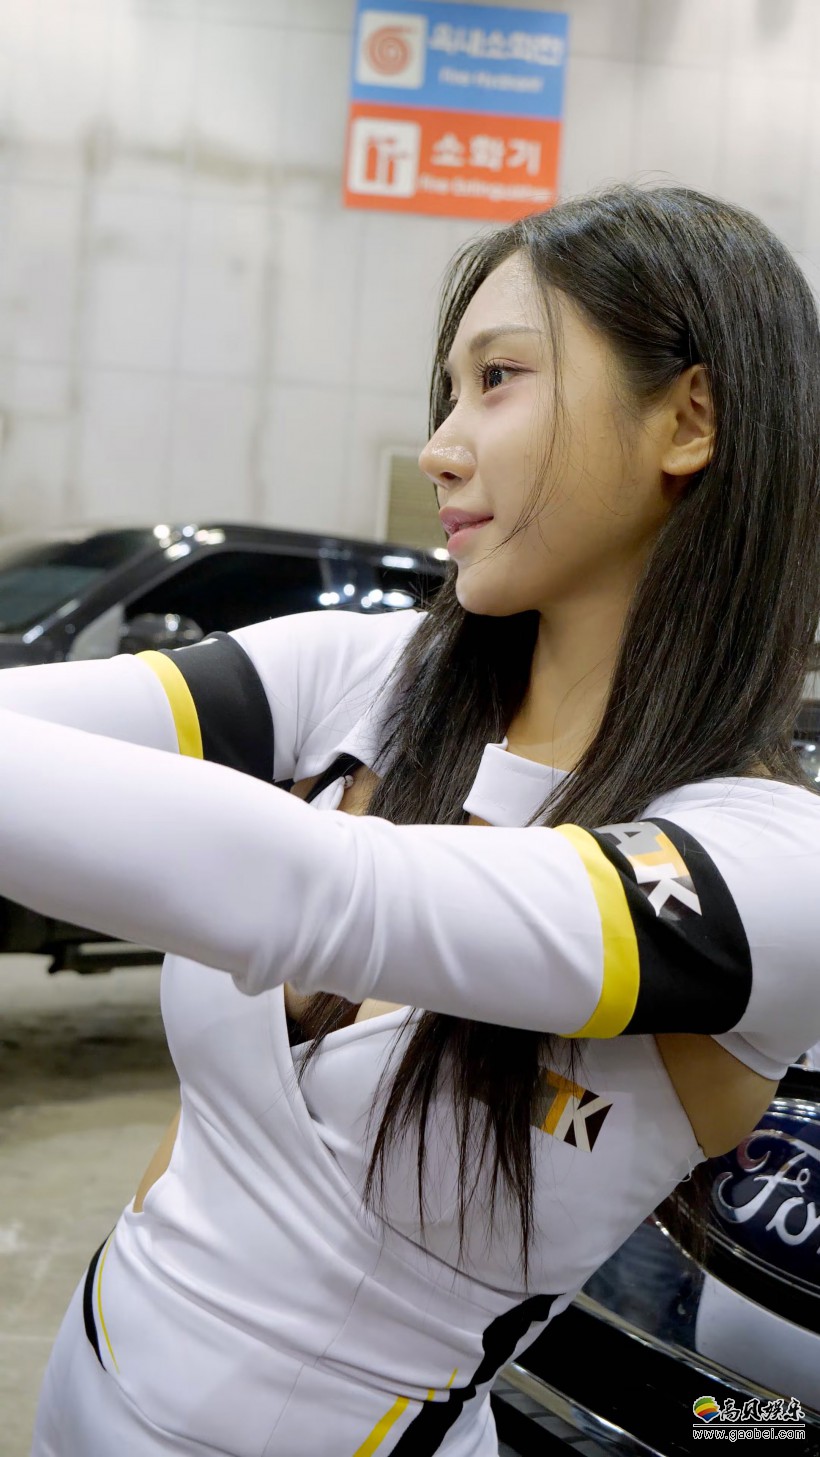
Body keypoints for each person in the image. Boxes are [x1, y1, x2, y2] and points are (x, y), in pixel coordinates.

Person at [4, 184, 820, 1457]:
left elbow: (322, 893)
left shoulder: (769, 865)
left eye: (498, 379)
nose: (439, 446)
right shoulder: (361, 677)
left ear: (689, 417)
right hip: (84, 1375)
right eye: (447, 391)